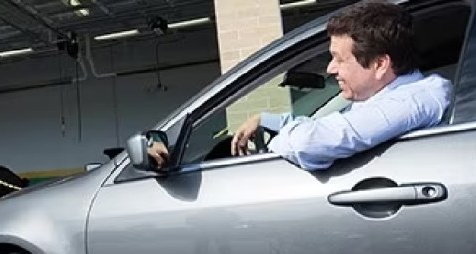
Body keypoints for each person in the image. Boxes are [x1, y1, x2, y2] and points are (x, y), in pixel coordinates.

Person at [148, 0, 453, 171]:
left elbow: (312, 143)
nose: (331, 69)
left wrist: (273, 144)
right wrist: (269, 121)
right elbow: (338, 125)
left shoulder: (415, 100)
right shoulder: (394, 98)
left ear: (379, 64)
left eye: (338, 59)